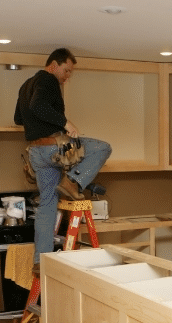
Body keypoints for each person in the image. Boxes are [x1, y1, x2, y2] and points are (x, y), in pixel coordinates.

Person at [14, 48, 112, 271]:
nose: (68, 76)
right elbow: (38, 106)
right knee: (103, 148)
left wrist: (38, 125)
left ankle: (40, 260)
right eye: (66, 70)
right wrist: (66, 124)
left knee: (47, 205)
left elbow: (19, 117)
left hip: (36, 154)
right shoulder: (48, 80)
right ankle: (73, 181)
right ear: (53, 65)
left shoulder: (25, 85)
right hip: (53, 149)